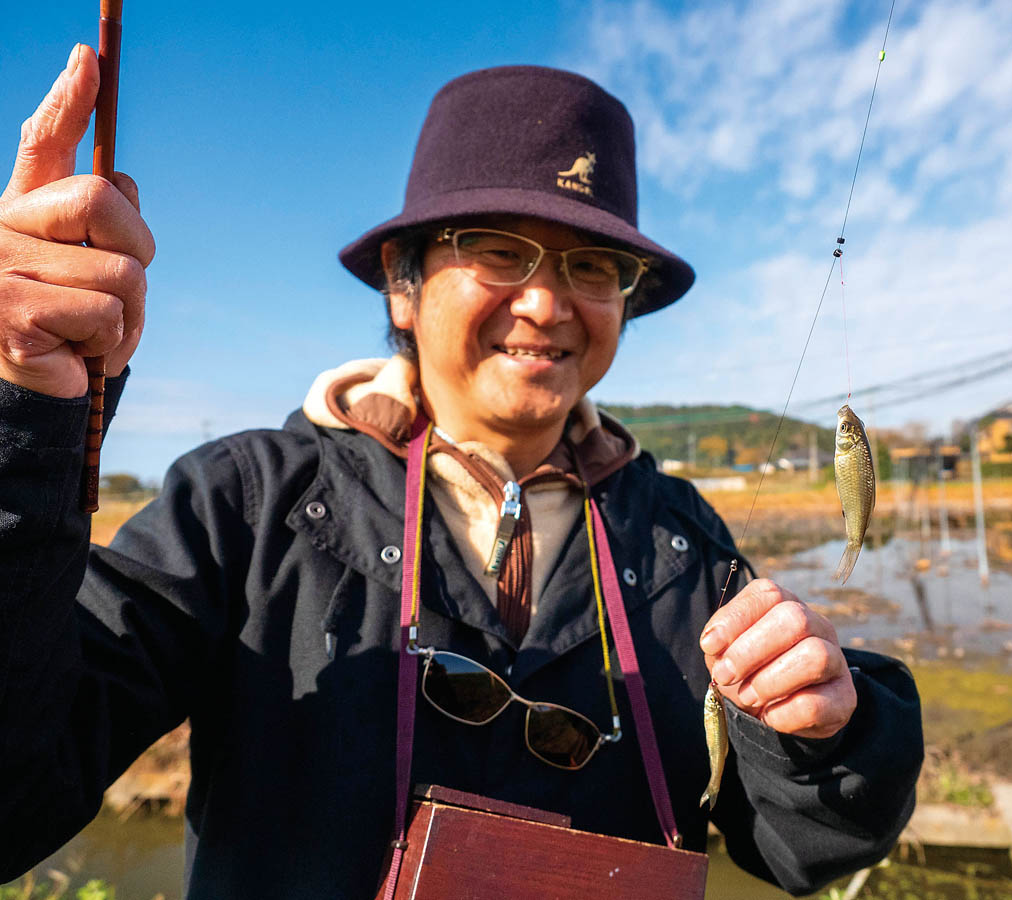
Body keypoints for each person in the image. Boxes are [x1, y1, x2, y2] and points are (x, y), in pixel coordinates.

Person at [0, 47, 922, 899]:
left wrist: (824, 729)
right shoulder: (241, 502)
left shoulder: (684, 535)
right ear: (401, 283)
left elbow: (800, 846)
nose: (547, 302)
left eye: (593, 265)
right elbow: (15, 794)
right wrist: (21, 422)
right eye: (496, 249)